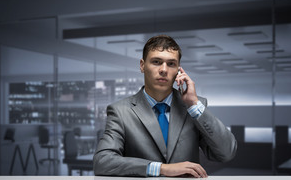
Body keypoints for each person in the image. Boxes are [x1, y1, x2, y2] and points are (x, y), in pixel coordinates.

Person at [93, 35, 237, 177]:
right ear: (142, 65)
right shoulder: (121, 111)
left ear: (178, 71)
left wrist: (193, 105)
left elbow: (227, 153)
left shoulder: (194, 107)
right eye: (156, 62)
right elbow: (103, 162)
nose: (164, 69)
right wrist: (161, 168)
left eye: (171, 64)